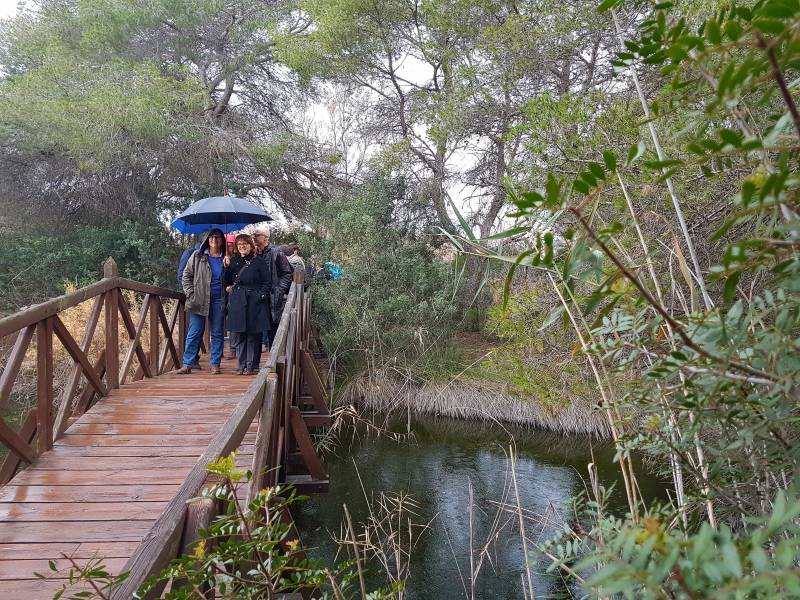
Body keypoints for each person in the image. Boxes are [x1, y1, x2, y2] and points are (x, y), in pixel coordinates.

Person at [176, 229, 226, 375]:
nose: (214, 240)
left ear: (222, 240)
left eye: (217, 237)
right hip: (199, 298)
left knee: (216, 332)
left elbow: (232, 278)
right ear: (206, 239)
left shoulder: (226, 258)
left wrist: (228, 266)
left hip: (218, 299)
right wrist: (191, 293)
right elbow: (186, 276)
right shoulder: (197, 255)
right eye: (211, 237)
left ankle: (215, 364)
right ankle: (187, 363)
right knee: (195, 331)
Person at [225, 234, 271, 375]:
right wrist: (226, 267)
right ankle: (241, 364)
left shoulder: (258, 261)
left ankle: (252, 365)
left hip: (254, 300)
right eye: (239, 244)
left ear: (251, 245)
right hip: (238, 300)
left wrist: (261, 295)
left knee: (253, 334)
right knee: (240, 333)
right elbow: (226, 282)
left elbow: (267, 282)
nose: (242, 246)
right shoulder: (233, 261)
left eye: (245, 244)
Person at [252, 227, 292, 348]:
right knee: (259, 326)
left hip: (273, 296)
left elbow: (287, 273)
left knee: (273, 327)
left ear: (266, 238)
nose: (254, 237)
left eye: (257, 235)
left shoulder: (276, 252)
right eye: (253, 235)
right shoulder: (254, 253)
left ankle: (273, 359)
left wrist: (279, 290)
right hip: (259, 295)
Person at [177, 236, 204, 370]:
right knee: (194, 330)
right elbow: (182, 275)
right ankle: (189, 361)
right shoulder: (189, 253)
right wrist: (190, 294)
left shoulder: (213, 253)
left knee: (204, 330)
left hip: (210, 298)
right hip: (194, 298)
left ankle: (194, 359)